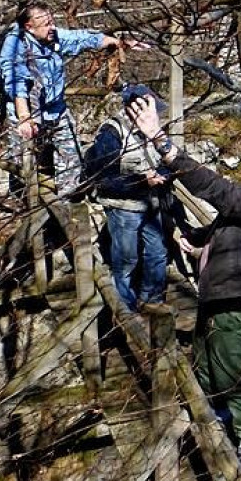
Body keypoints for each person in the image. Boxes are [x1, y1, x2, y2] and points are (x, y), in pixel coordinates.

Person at [126, 94, 241, 469]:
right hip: (218, 293)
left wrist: (161, 143)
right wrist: (195, 239)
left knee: (234, 369)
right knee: (206, 362)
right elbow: (223, 224)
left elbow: (215, 190)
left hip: (237, 297)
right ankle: (220, 418)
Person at [0, 1, 149, 198]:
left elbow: (82, 38)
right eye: (47, 24)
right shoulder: (15, 45)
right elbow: (17, 84)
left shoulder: (53, 36)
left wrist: (117, 42)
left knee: (72, 157)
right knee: (23, 164)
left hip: (56, 109)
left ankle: (67, 203)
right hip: (26, 111)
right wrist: (25, 117)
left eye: (52, 22)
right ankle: (23, 202)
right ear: (29, 27)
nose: (52, 27)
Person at [86, 85, 170, 311]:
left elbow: (166, 162)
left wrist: (163, 175)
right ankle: (125, 310)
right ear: (135, 109)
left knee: (158, 253)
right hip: (123, 208)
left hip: (151, 204)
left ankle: (152, 301)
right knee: (126, 261)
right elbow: (103, 181)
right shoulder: (111, 135)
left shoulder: (153, 129)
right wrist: (143, 181)